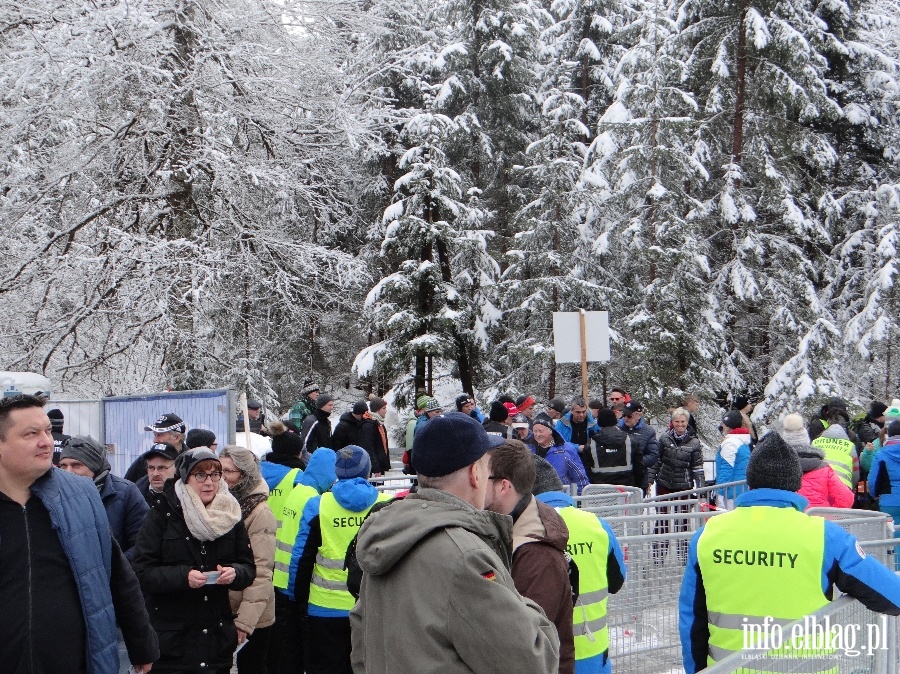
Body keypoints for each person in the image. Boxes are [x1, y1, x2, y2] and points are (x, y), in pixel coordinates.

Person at [350, 413, 560, 674]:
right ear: (475, 473)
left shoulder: (390, 534)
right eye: (486, 467)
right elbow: (533, 661)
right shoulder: (466, 556)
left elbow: (362, 646)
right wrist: (522, 603)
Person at [679, 431, 900, 673]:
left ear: (749, 482)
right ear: (796, 485)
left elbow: (692, 619)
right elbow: (892, 595)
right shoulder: (827, 536)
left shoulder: (709, 534)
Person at [0, 394, 158, 674]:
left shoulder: (80, 495)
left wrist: (141, 643)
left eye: (47, 431)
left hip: (73, 661)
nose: (46, 441)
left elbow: (116, 575)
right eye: (31, 434)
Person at [133, 448, 256, 674]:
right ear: (185, 478)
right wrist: (183, 577)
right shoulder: (163, 513)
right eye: (200, 475)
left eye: (215, 475)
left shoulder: (230, 514)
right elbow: (141, 572)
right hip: (172, 642)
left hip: (215, 641)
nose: (209, 482)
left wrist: (234, 573)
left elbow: (249, 568)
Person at [291, 445, 389, 674]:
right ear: (367, 470)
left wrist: (298, 600)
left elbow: (302, 558)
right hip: (373, 606)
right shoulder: (388, 504)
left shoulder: (318, 505)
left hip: (325, 607)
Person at [484, 441, 575, 674]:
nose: (474, 482)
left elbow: (524, 647)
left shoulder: (538, 557)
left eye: (481, 474)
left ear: (503, 486)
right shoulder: (506, 528)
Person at [532, 455, 625, 674]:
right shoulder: (596, 525)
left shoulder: (523, 527)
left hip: (545, 654)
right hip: (593, 652)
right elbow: (616, 582)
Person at [271, 449, 338, 674]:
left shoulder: (298, 490)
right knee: (294, 648)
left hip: (279, 576)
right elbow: (303, 549)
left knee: (284, 645)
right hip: (292, 580)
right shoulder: (312, 499)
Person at [220, 446, 277, 674]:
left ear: (244, 475)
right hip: (225, 608)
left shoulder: (258, 512)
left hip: (253, 615)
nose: (222, 478)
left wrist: (244, 622)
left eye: (229, 472)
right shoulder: (223, 506)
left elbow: (262, 571)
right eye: (219, 471)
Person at [59, 435, 149, 559]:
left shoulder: (126, 493)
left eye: (76, 465)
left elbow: (142, 545)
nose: (68, 472)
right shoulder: (54, 497)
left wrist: (113, 568)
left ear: (94, 466)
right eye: (63, 466)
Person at [647, 407, 704, 564]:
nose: (680, 425)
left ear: (687, 423)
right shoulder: (664, 438)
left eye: (683, 422)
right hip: (664, 483)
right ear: (672, 423)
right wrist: (650, 479)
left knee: (682, 521)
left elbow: (697, 466)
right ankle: (658, 555)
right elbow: (657, 461)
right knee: (662, 520)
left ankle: (684, 555)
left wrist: (701, 488)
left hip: (683, 485)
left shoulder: (694, 442)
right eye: (677, 422)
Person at [781, 412, 853, 509]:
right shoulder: (824, 468)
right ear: (807, 441)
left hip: (789, 521)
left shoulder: (775, 470)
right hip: (820, 519)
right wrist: (832, 515)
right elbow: (846, 499)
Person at [584, 408, 644, 488]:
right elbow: (639, 469)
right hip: (627, 492)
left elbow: (586, 471)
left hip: (600, 493)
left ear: (599, 422)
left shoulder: (591, 444)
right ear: (615, 421)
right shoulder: (630, 440)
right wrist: (639, 488)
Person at [868, 420, 900, 567]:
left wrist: (874, 495)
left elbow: (873, 481)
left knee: (892, 539)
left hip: (889, 503)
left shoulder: (881, 454)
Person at [529, 417, 589, 494]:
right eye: (535, 431)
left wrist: (582, 497)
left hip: (562, 495)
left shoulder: (566, 449)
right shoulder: (529, 450)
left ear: (550, 431)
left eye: (540, 431)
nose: (537, 434)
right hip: (538, 497)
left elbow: (579, 475)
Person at [124, 412, 186, 482]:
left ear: (177, 437)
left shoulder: (191, 461)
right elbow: (127, 487)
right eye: (151, 467)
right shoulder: (144, 459)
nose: (155, 440)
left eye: (160, 435)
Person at [811, 411, 859, 490]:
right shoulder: (850, 446)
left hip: (819, 483)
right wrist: (852, 487)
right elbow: (856, 472)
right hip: (843, 484)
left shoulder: (815, 442)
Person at [713, 410, 751, 509]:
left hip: (730, 494)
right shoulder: (741, 441)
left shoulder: (730, 443)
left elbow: (726, 469)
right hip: (741, 490)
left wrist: (720, 493)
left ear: (728, 425)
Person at [619, 401, 660, 477]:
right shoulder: (617, 429)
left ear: (639, 415)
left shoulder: (648, 431)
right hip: (620, 477)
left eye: (629, 416)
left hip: (639, 476)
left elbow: (653, 455)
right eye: (624, 415)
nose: (625, 418)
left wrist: (636, 461)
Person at [358, 397, 391, 476]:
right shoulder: (369, 426)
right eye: (384, 408)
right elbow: (368, 448)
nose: (386, 411)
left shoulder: (379, 424)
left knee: (380, 488)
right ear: (377, 409)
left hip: (380, 466)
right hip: (374, 469)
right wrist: (375, 467)